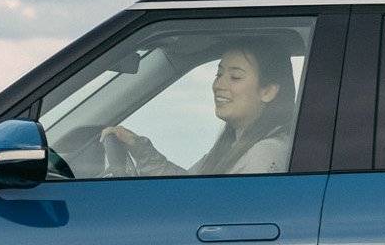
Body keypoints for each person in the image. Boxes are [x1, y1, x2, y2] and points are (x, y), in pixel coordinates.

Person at [101, 36, 298, 176]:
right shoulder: (234, 146)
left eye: (235, 77)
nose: (219, 85)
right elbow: (187, 187)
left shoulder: (265, 154)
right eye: (219, 75)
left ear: (268, 92)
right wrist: (141, 150)